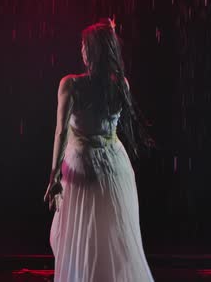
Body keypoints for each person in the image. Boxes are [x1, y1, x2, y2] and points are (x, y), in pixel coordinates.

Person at [44, 19, 154, 281]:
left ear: (89, 51)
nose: (81, 49)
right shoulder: (121, 84)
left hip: (84, 163)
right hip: (116, 165)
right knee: (113, 235)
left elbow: (61, 132)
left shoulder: (71, 85)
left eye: (84, 45)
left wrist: (53, 176)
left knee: (80, 235)